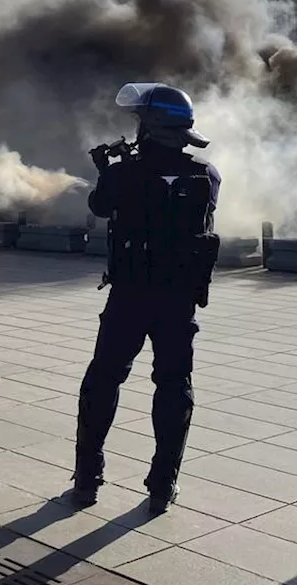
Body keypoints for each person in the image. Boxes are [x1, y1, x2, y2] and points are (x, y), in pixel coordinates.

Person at [71, 83, 221, 515]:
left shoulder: (123, 174)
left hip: (129, 296)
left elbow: (100, 205)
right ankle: (162, 485)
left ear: (151, 127)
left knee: (102, 380)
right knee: (174, 387)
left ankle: (86, 481)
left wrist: (108, 169)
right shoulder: (206, 175)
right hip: (178, 301)